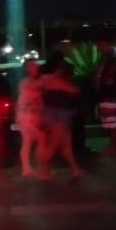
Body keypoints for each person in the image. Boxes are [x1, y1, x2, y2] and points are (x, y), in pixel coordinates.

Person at [37, 51, 84, 180]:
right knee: (56, 143)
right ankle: (43, 169)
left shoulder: (46, 78)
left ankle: (74, 169)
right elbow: (74, 90)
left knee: (65, 144)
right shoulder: (53, 79)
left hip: (56, 113)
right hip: (58, 114)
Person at [93, 37, 116, 156]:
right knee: (111, 122)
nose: (98, 48)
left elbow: (110, 74)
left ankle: (114, 147)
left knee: (113, 122)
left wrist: (104, 78)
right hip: (108, 93)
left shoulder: (114, 56)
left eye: (99, 45)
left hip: (111, 94)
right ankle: (115, 146)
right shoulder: (107, 57)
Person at [16, 59, 46, 177]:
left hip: (33, 115)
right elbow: (30, 97)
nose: (36, 67)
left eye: (36, 65)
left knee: (27, 142)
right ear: (27, 69)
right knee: (41, 139)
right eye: (33, 66)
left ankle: (27, 169)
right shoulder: (25, 83)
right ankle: (39, 167)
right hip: (26, 116)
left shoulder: (38, 81)